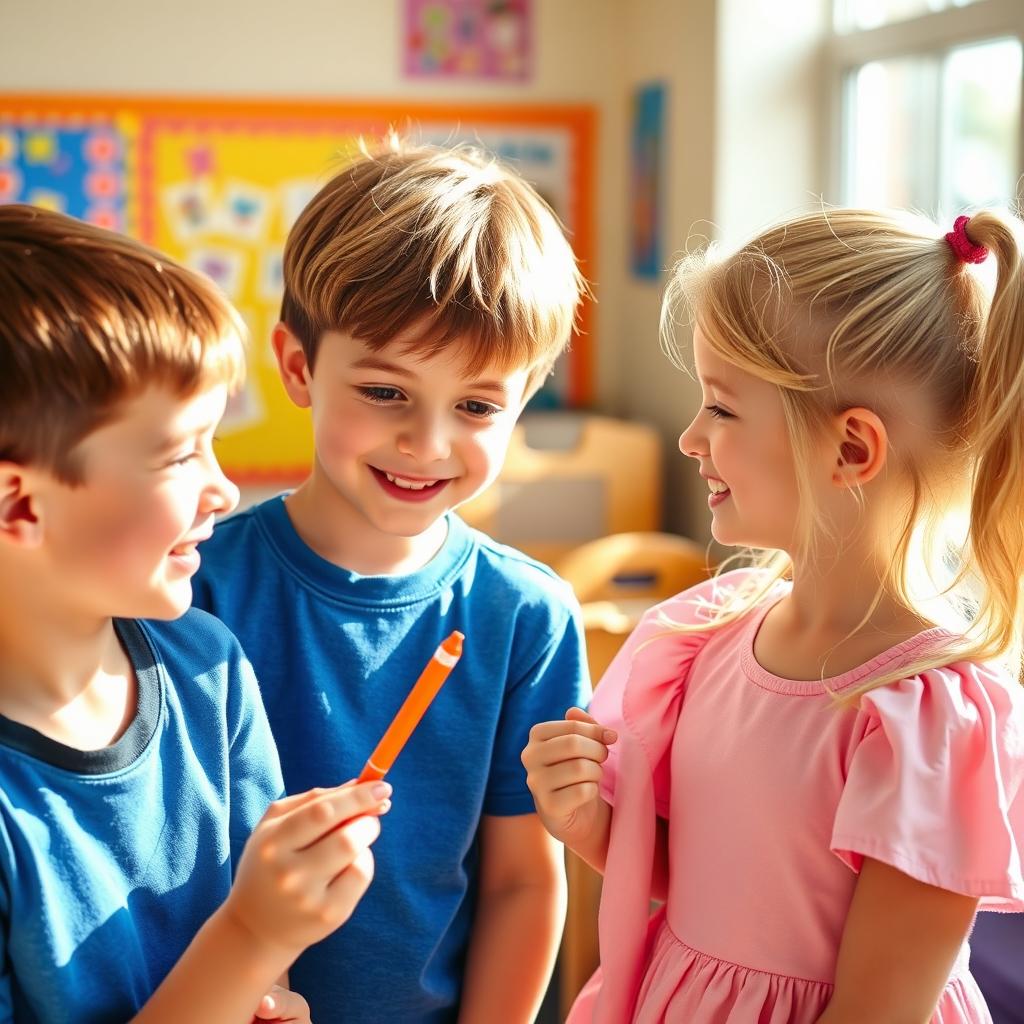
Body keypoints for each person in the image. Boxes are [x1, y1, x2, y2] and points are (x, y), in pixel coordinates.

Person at [523, 208, 1024, 1022]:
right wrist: (589, 822)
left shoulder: (926, 718)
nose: (690, 438)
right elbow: (705, 878)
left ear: (851, 450)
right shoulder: (708, 636)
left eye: (721, 409)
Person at [191, 143, 591, 1023]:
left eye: (478, 407)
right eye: (385, 391)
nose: (428, 443)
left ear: (523, 401)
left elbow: (525, 882)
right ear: (298, 368)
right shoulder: (192, 589)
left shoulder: (527, 616)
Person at [0, 204, 390, 1024]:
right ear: (19, 504)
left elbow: (249, 987)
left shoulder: (206, 665)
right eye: (181, 453)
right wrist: (249, 935)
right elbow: (239, 944)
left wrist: (264, 989)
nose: (223, 490)